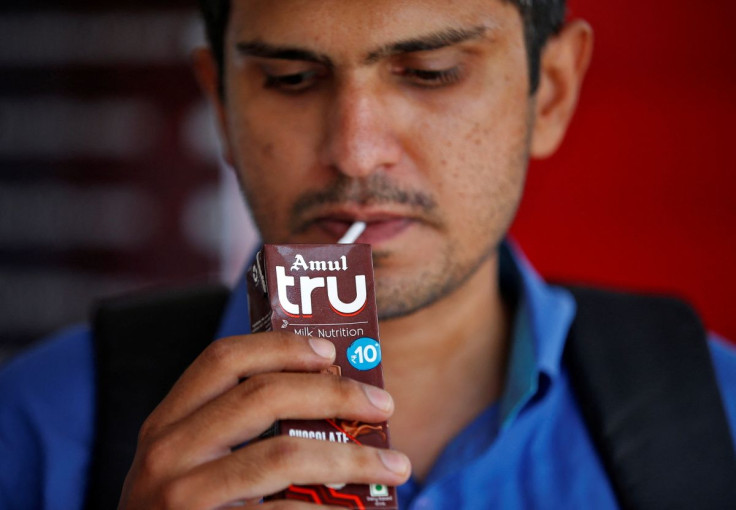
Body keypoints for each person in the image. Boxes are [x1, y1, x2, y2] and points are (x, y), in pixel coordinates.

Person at [1, 0, 735, 508]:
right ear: (221, 105)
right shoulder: (34, 428)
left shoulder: (718, 423)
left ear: (551, 92)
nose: (354, 155)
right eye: (291, 80)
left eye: (432, 71)